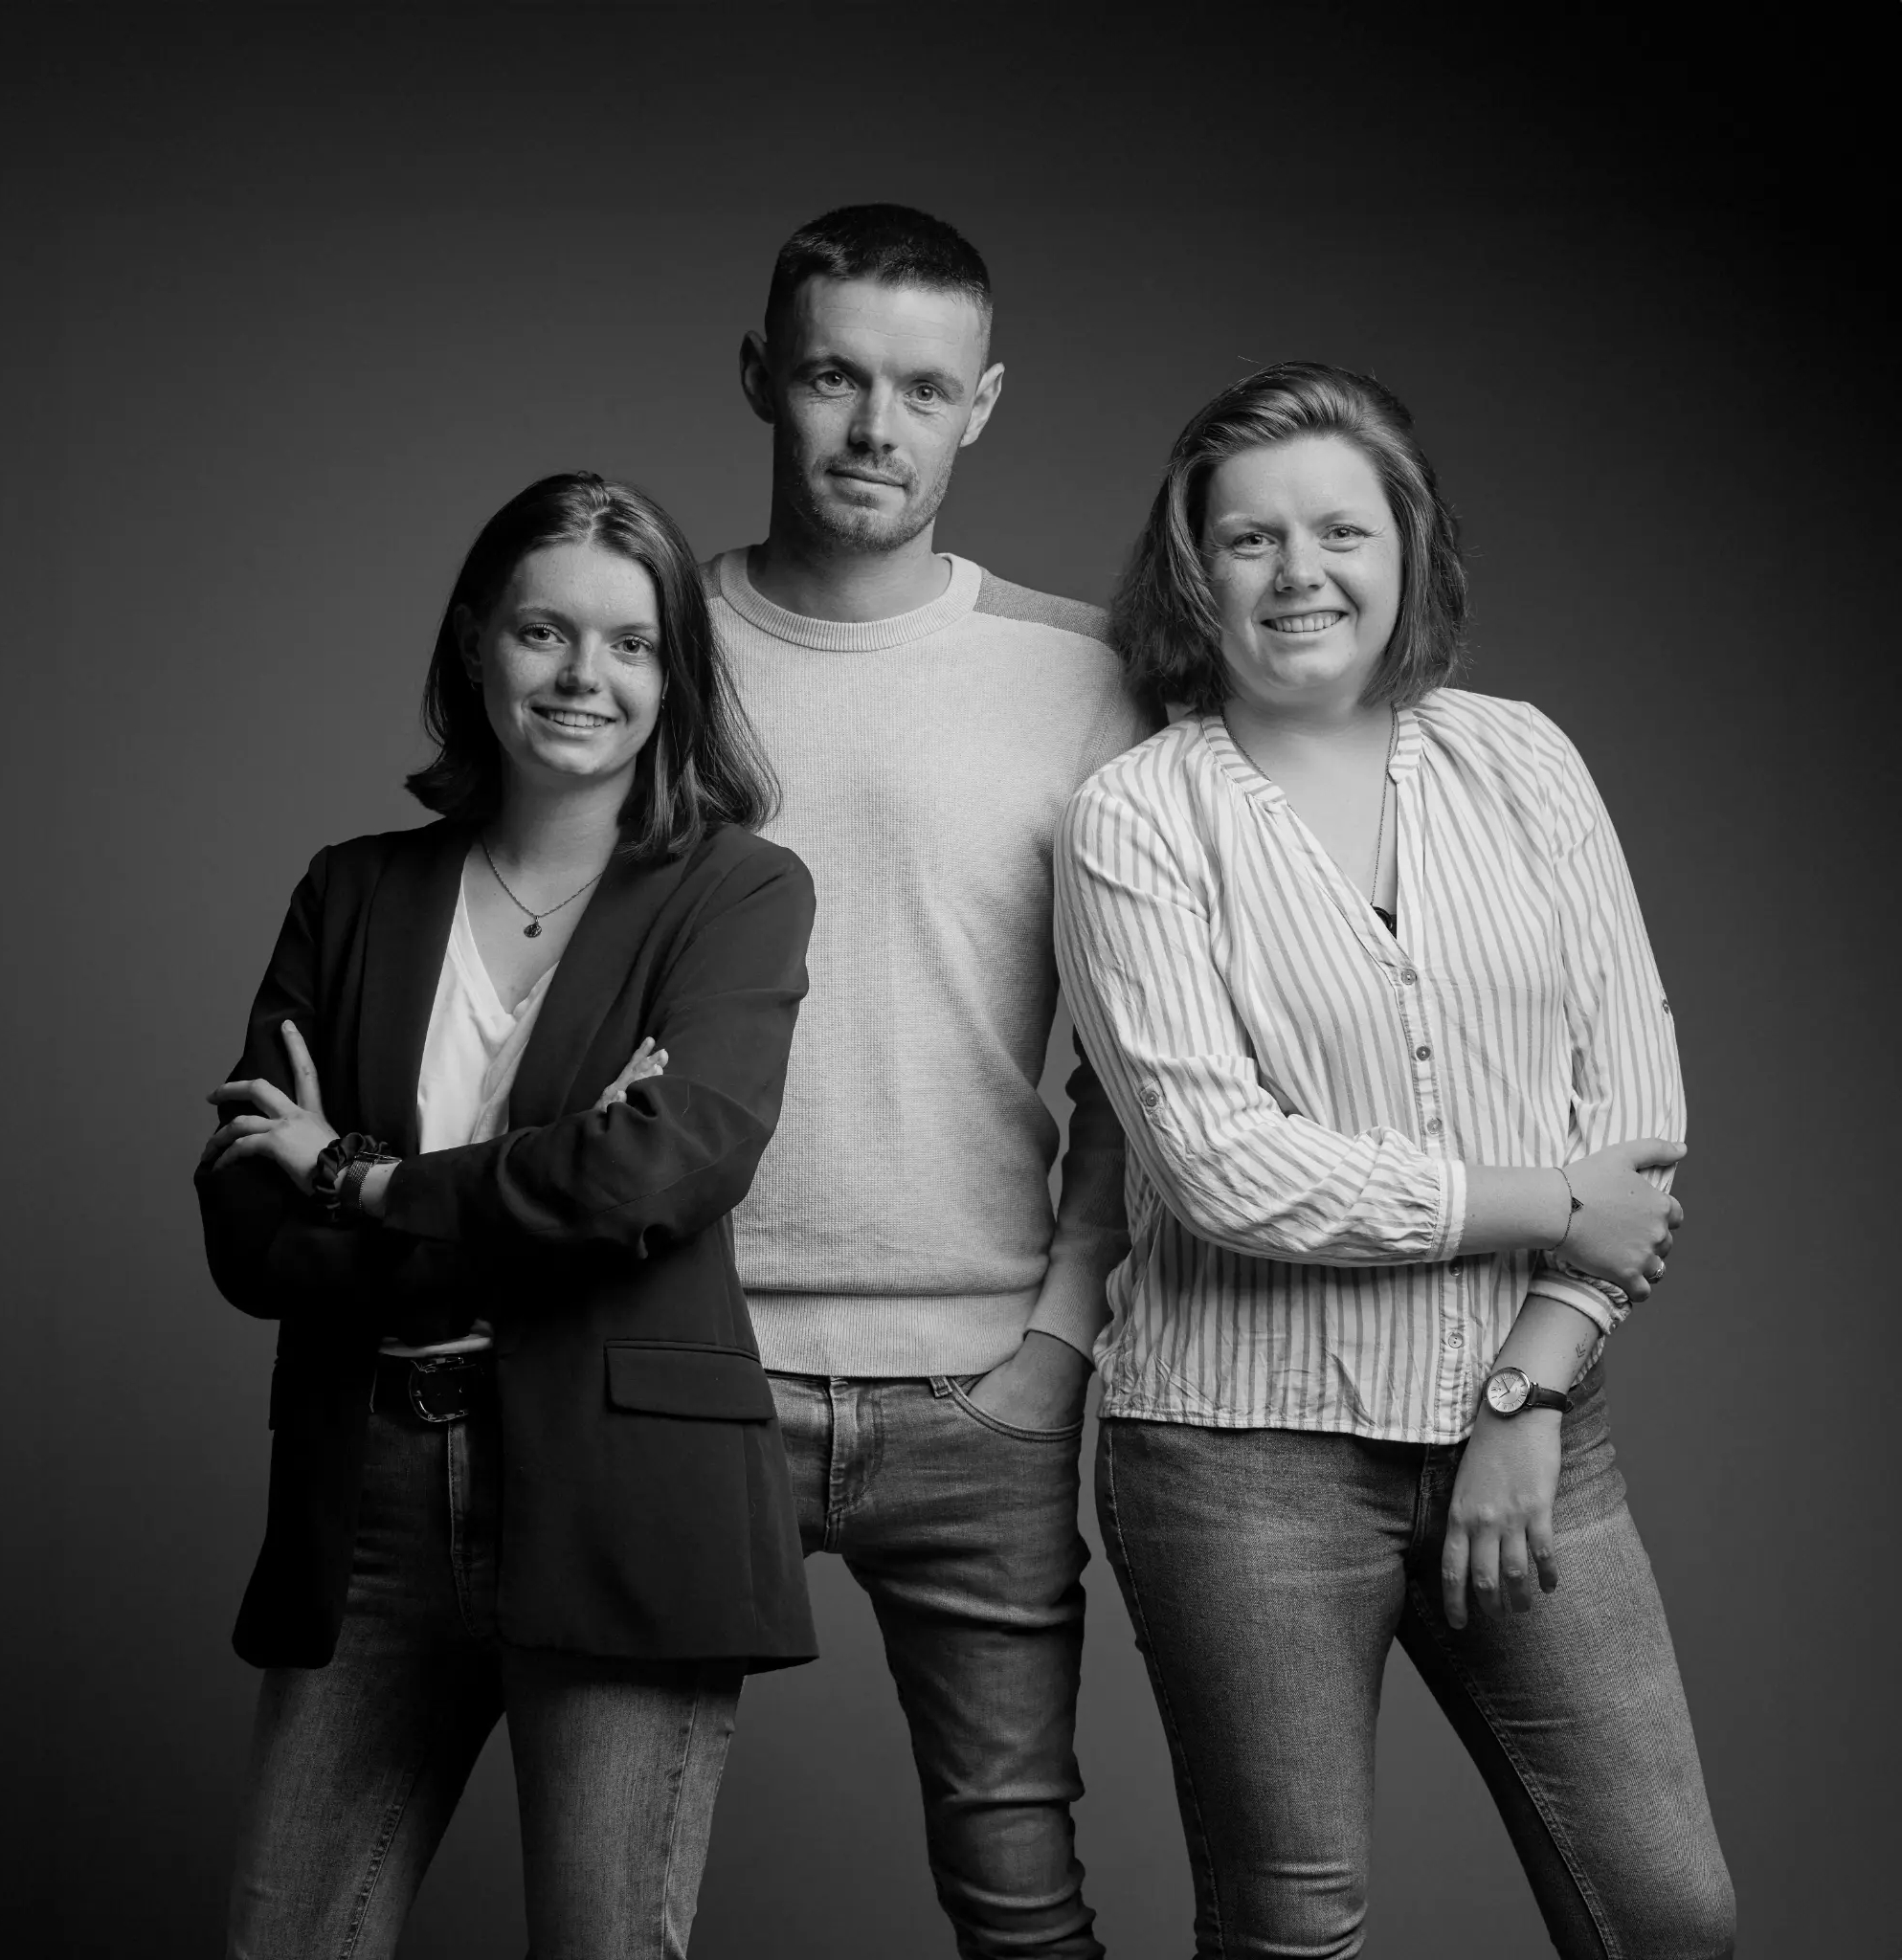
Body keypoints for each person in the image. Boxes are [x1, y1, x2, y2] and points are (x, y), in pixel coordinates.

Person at [1053, 364, 1736, 1958]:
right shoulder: (1134, 818)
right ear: (1190, 566)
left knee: (1670, 1915)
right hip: (1242, 1465)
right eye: (1251, 541)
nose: (1302, 577)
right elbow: (1223, 1169)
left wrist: (1525, 1391)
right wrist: (1544, 1201)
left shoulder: (1523, 759)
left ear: (1409, 547)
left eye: (1341, 530)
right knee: (1298, 1934)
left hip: (1536, 1429)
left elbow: (1633, 1119)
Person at [195, 472, 817, 1960]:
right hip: (373, 1488)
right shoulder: (352, 895)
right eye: (545, 631)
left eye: (630, 643)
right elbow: (237, 1221)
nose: (582, 678)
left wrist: (362, 1173)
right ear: (479, 643)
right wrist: (557, 1168)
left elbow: (660, 1174)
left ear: (676, 676)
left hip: (621, 1483)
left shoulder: (733, 895)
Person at [705, 204, 1152, 1958]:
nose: (872, 429)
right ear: (762, 377)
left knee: (1023, 1905)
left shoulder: (1084, 672)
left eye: (920, 387)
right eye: (830, 375)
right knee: (619, 1886)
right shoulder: (637, 652)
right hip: (673, 1368)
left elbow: (1142, 1055)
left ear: (985, 405)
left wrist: (1063, 1335)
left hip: (980, 1383)